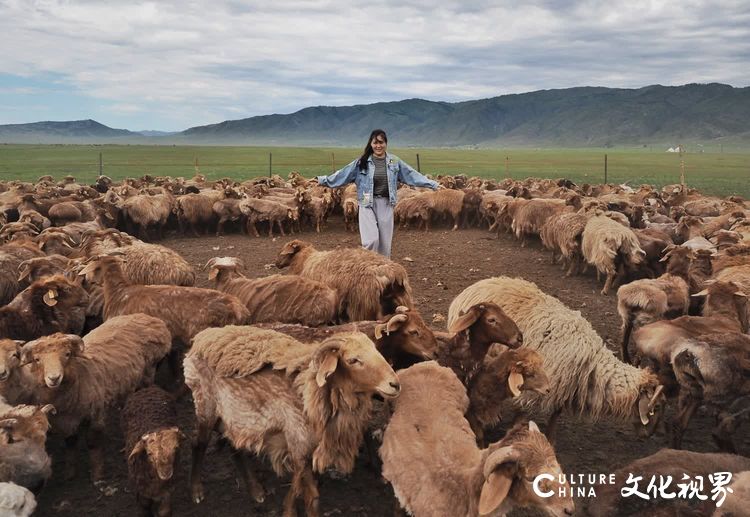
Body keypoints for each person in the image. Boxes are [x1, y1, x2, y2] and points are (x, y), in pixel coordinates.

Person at [316, 129, 438, 258]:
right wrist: (323, 180)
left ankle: (383, 271)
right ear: (371, 144)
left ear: (386, 143)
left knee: (385, 244)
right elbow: (343, 174)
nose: (378, 146)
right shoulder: (362, 162)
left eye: (381, 142)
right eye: (375, 143)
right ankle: (369, 268)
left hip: (386, 203)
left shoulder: (394, 161)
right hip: (367, 202)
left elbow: (411, 174)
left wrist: (433, 184)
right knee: (371, 240)